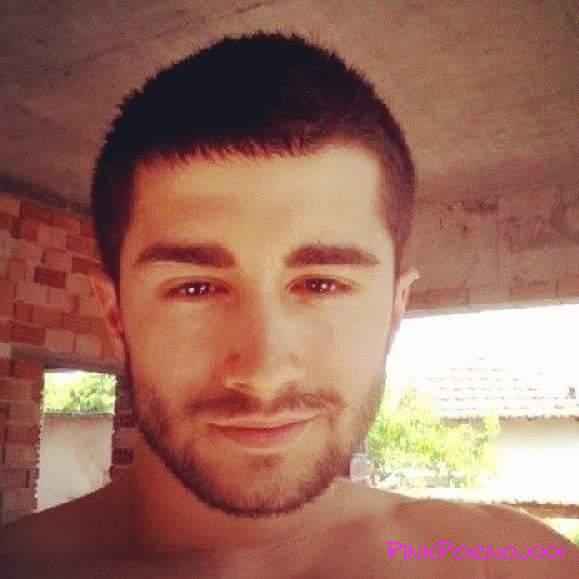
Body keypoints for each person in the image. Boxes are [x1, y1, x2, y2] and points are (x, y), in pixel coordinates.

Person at [1, 32, 577, 579]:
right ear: (115, 315)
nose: (263, 373)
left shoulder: (510, 562)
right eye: (195, 288)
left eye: (321, 285)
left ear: (395, 310)